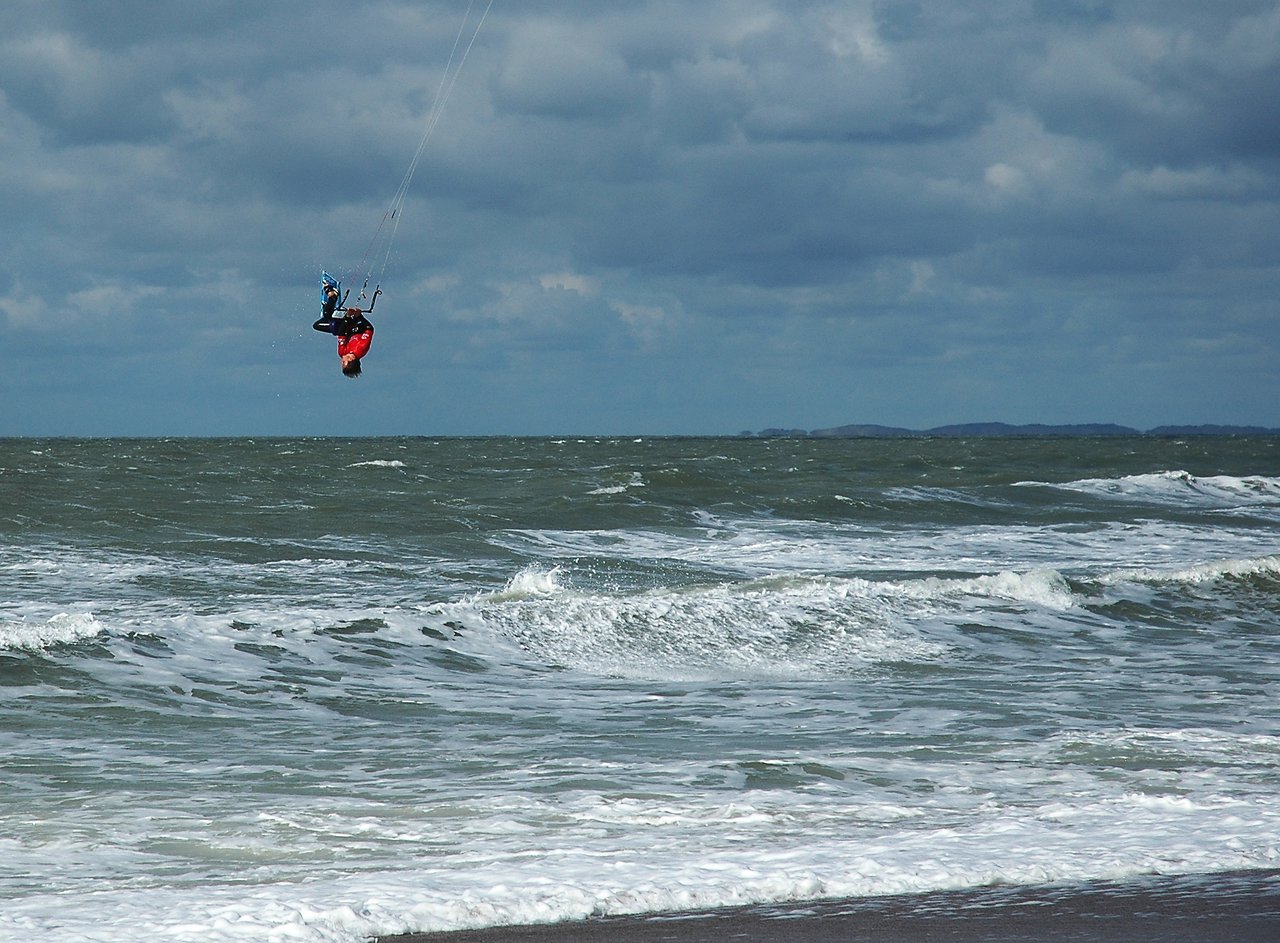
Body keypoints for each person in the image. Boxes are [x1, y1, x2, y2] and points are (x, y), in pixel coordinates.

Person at [314, 274, 374, 377]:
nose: (341, 361)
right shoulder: (362, 348)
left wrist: (346, 318)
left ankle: (332, 299)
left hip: (345, 326)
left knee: (318, 324)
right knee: (328, 317)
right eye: (343, 363)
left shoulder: (342, 353)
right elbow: (370, 329)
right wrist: (359, 316)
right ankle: (331, 298)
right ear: (351, 360)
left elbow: (341, 334)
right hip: (357, 324)